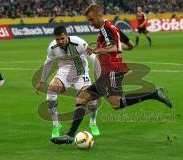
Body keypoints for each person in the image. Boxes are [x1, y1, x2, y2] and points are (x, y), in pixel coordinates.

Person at [51, 4, 172, 144]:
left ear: (98, 15)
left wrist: (99, 50)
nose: (90, 23)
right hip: (113, 70)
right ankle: (153, 94)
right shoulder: (113, 27)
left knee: (81, 99)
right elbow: (131, 45)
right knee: (116, 104)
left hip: (111, 70)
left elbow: (113, 47)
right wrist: (111, 48)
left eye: (91, 20)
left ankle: (70, 135)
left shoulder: (105, 29)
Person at [35, 26, 100, 138]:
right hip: (64, 73)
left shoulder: (79, 43)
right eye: (57, 39)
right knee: (50, 94)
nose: (60, 41)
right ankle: (56, 125)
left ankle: (93, 122)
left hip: (81, 73)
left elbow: (94, 58)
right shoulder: (52, 47)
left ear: (67, 35)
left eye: (62, 38)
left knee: (92, 101)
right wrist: (42, 82)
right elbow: (48, 64)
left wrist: (99, 79)